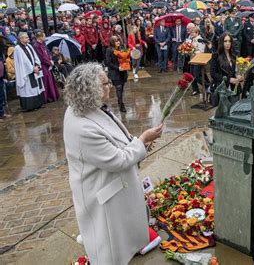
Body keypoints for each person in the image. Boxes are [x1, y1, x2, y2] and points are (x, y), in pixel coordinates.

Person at [63, 63, 164, 264]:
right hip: (101, 189)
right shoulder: (83, 127)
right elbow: (117, 160)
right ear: (89, 89)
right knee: (107, 242)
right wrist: (142, 140)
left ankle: (131, 248)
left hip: (113, 184)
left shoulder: (88, 108)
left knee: (123, 232)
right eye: (104, 83)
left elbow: (115, 136)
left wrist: (134, 142)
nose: (109, 85)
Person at [13, 32, 45, 111]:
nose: (28, 38)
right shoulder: (17, 48)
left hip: (34, 70)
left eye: (27, 37)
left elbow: (35, 57)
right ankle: (30, 106)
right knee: (29, 89)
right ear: (21, 39)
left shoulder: (29, 46)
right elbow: (23, 61)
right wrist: (32, 68)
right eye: (26, 37)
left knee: (36, 88)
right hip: (26, 72)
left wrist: (37, 65)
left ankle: (38, 104)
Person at [210, 33, 243, 105]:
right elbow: (213, 74)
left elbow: (236, 71)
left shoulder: (234, 55)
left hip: (234, 88)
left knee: (234, 110)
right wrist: (229, 79)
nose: (228, 43)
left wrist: (239, 76)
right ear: (221, 42)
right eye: (225, 41)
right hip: (223, 89)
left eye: (229, 41)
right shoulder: (216, 56)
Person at [32, 31, 60, 103]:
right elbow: (41, 57)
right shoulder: (36, 46)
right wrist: (49, 62)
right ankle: (48, 97)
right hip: (43, 66)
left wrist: (51, 60)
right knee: (46, 82)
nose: (45, 38)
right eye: (44, 36)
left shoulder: (43, 44)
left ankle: (53, 95)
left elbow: (47, 53)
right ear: (40, 37)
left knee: (50, 80)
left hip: (48, 65)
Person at [189, 26, 207, 95]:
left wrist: (193, 51)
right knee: (191, 75)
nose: (191, 34)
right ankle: (195, 89)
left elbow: (201, 51)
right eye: (191, 33)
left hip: (198, 60)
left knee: (196, 76)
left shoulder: (200, 39)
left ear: (197, 32)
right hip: (192, 60)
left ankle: (207, 85)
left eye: (193, 33)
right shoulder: (193, 39)